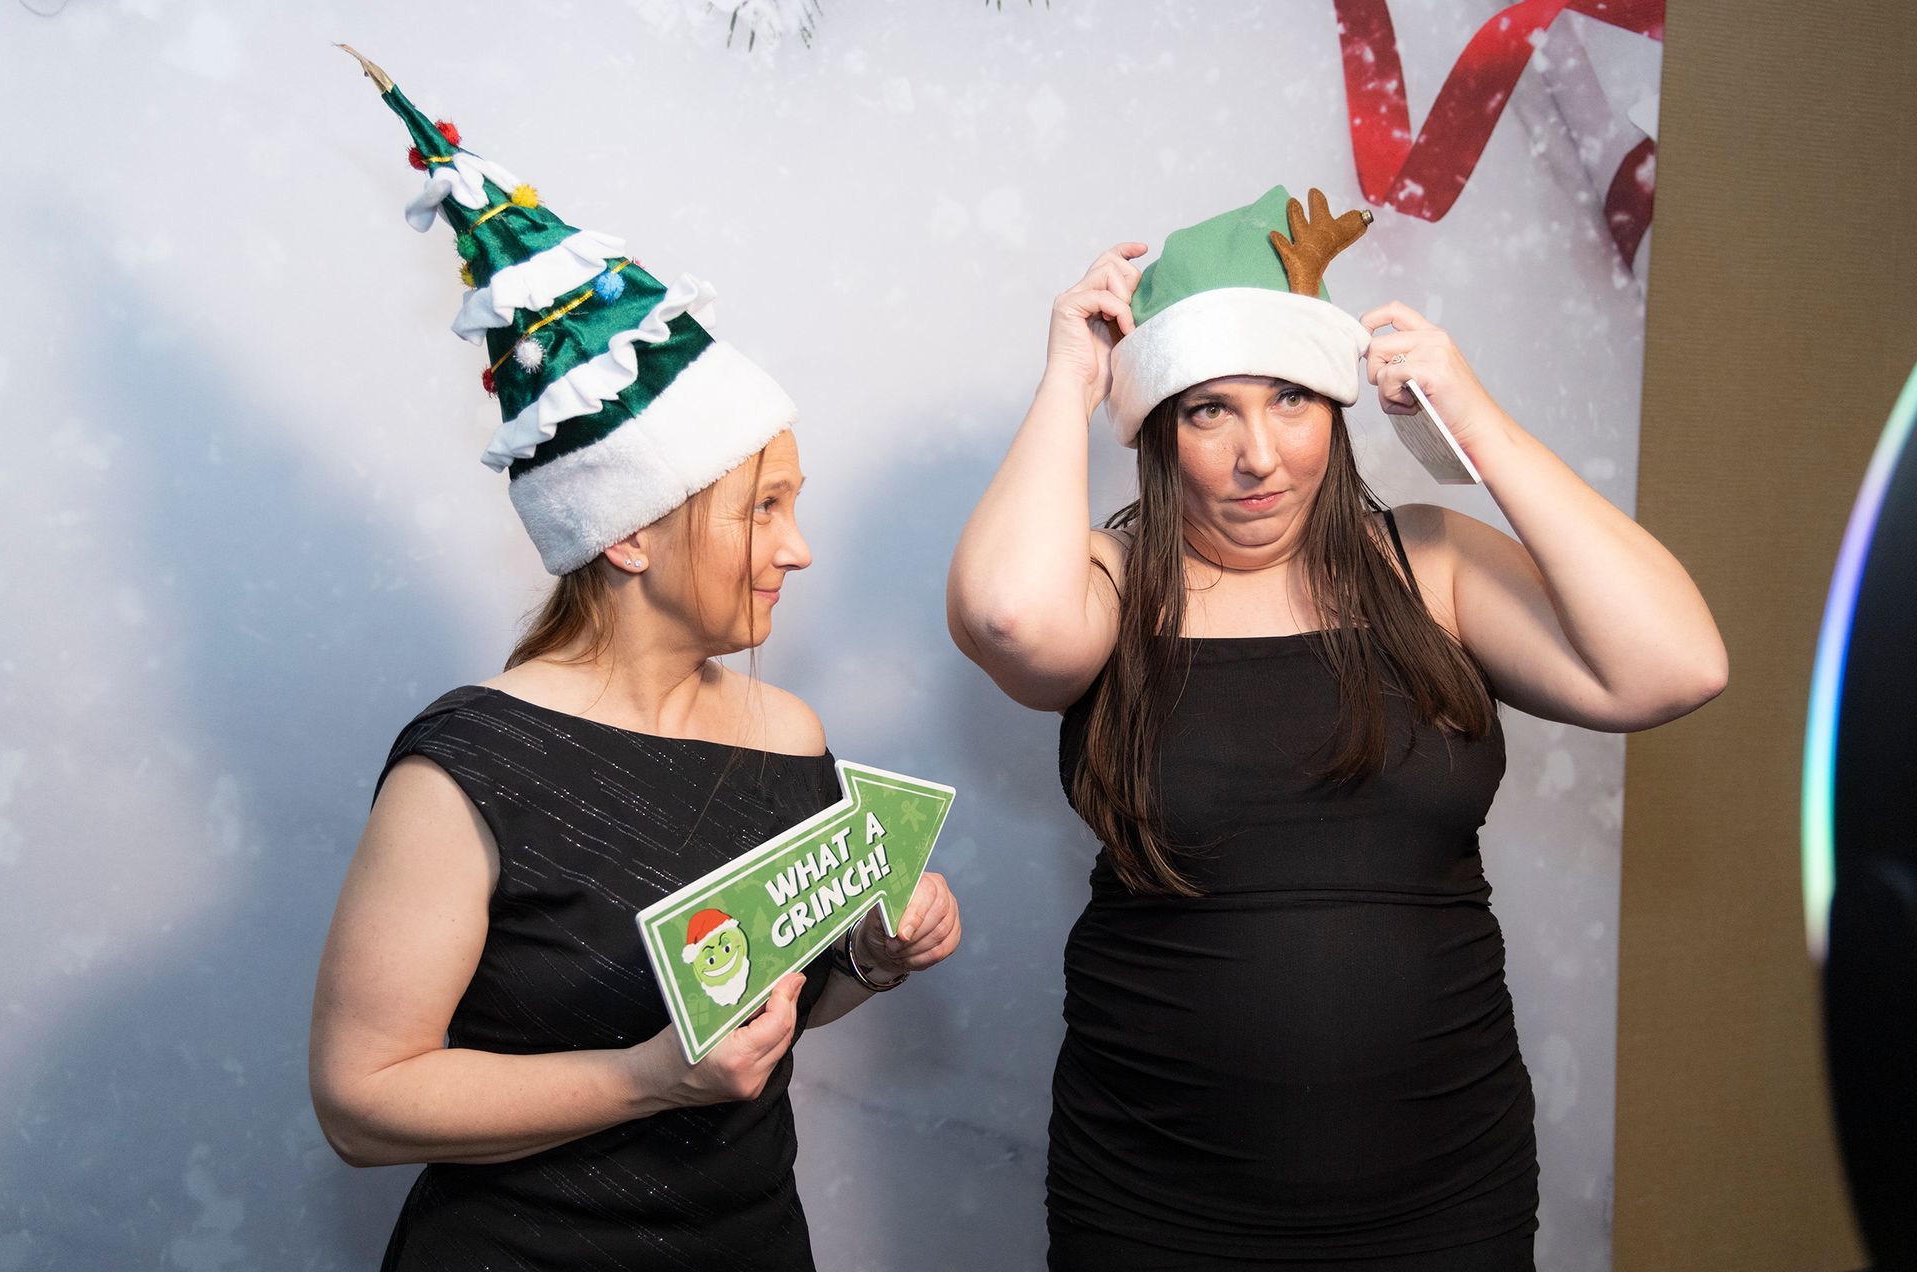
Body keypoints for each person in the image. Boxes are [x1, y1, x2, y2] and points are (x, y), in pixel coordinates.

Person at [946, 184, 1726, 1269]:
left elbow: (1676, 665)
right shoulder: (1109, 585)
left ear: (1336, 404)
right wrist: (1070, 382)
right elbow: (1005, 617)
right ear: (1159, 430)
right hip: (1156, 1205)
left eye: (1291, 400)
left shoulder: (1432, 564)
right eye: (1209, 409)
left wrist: (1475, 419)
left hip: (1444, 1197)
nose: (1258, 455)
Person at [310, 52, 960, 1271]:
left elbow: (764, 1011)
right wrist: (643, 1080)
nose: (800, 549)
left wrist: (871, 955)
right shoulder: (470, 767)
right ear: (630, 529)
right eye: (761, 510)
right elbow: (359, 1101)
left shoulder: (787, 734)